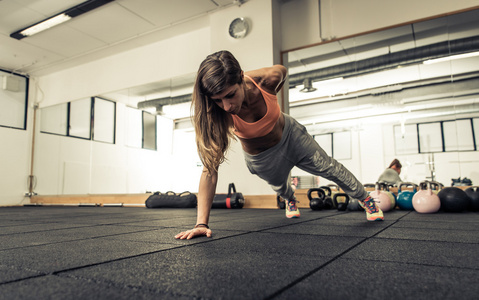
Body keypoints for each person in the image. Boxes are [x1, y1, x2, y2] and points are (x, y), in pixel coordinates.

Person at [175, 50, 383, 240]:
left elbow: (282, 71)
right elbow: (209, 171)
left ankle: (366, 199)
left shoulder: (265, 81)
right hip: (262, 158)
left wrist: (258, 83)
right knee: (280, 186)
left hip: (291, 135)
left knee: (329, 167)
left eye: (230, 95)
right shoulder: (218, 116)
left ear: (240, 77)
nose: (227, 106)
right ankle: (289, 198)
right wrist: (201, 223)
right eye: (218, 100)